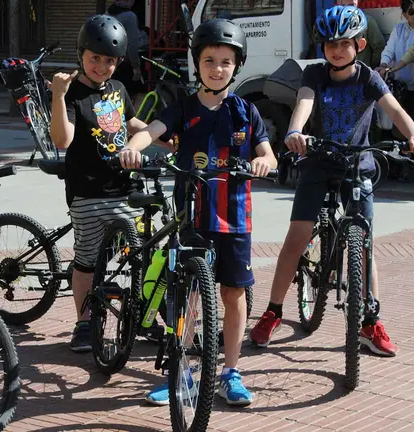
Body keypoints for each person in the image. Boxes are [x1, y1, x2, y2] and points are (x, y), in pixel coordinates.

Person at [249, 6, 414, 357]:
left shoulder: (367, 77)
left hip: (357, 167)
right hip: (318, 163)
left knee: (364, 243)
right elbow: (304, 102)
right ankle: (273, 312)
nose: (337, 50)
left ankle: (370, 322)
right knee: (297, 237)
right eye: (330, 44)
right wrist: (295, 131)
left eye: (345, 43)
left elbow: (394, 109)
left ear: (359, 44)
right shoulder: (315, 74)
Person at [119, 18, 277, 407]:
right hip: (192, 217)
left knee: (234, 292)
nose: (217, 68)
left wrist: (265, 162)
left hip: (235, 218)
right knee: (188, 294)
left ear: (236, 66)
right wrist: (133, 148)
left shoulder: (246, 111)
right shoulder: (183, 108)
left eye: (226, 62)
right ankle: (181, 371)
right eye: (209, 60)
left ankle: (230, 373)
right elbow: (150, 131)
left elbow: (268, 153)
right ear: (197, 63)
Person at [49, 14, 161, 353]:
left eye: (109, 61)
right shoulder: (72, 92)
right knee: (86, 261)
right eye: (94, 58)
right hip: (88, 191)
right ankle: (84, 323)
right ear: (81, 54)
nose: (101, 66)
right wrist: (58, 96)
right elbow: (63, 140)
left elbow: (131, 122)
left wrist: (163, 137)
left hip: (124, 189)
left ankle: (144, 315)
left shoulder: (118, 89)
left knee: (141, 252)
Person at [376, 0, 414, 140]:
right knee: (397, 127)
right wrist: (384, 64)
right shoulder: (399, 29)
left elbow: (413, 55)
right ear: (404, 15)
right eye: (411, 11)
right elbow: (389, 49)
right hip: (399, 87)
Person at [108, 0, 143, 102]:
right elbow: (132, 44)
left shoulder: (108, 13)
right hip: (123, 63)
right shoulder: (130, 16)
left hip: (107, 62)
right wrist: (136, 67)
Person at [336, 0, 386, 68]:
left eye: (352, 5)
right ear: (339, 1)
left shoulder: (367, 21)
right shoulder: (333, 23)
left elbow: (379, 46)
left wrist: (371, 67)